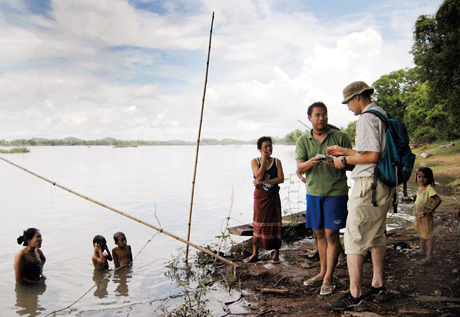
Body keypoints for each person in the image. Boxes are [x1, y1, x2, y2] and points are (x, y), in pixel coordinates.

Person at [326, 81, 395, 311]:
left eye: (348, 102)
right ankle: (377, 285)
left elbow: (372, 156)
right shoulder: (381, 114)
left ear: (358, 97)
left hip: (368, 186)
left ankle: (355, 295)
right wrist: (346, 151)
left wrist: (343, 161)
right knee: (376, 234)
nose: (348, 108)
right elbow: (373, 151)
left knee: (353, 238)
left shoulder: (365, 117)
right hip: (384, 184)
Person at [296, 102, 352, 296]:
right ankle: (321, 272)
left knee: (331, 235)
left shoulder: (340, 137)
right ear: (309, 118)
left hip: (336, 192)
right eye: (317, 115)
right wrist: (311, 162)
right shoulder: (303, 140)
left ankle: (329, 277)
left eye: (324, 114)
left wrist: (340, 162)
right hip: (313, 192)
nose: (322, 118)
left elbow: (353, 165)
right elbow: (300, 167)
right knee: (319, 234)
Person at [244, 136, 284, 264]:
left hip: (273, 196)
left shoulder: (277, 162)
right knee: (258, 223)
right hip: (261, 197)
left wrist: (264, 181)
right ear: (260, 149)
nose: (268, 148)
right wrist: (264, 160)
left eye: (270, 146)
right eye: (265, 146)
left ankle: (276, 254)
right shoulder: (255, 161)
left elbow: (280, 179)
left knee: (275, 222)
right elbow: (258, 176)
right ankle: (255, 253)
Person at [413, 167, 442, 265]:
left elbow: (438, 200)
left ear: (429, 178)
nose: (421, 179)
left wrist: (430, 210)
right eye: (419, 177)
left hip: (426, 216)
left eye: (424, 177)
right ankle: (421, 250)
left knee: (428, 235)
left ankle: (429, 256)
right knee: (421, 232)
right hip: (419, 215)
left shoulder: (429, 189)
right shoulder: (420, 188)